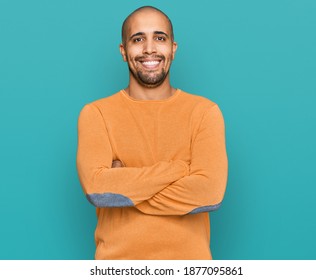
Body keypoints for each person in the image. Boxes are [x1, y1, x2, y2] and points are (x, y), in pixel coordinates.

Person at [76, 5, 228, 260]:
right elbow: (98, 190)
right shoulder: (96, 114)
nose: (149, 48)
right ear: (124, 52)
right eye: (138, 39)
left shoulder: (205, 112)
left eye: (159, 38)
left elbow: (209, 194)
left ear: (173, 49)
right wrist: (180, 169)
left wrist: (124, 184)